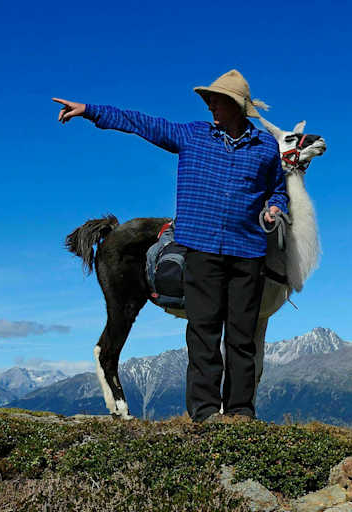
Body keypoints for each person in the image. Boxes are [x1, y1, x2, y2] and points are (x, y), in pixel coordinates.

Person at [53, 70, 288, 423]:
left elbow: (278, 189)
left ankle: (240, 415)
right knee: (203, 335)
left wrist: (275, 208)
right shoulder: (192, 135)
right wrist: (89, 110)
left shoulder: (265, 147)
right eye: (209, 99)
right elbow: (141, 122)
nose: (210, 105)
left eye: (218, 100)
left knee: (241, 339)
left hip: (248, 252)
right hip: (201, 250)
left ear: (238, 105)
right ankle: (206, 414)